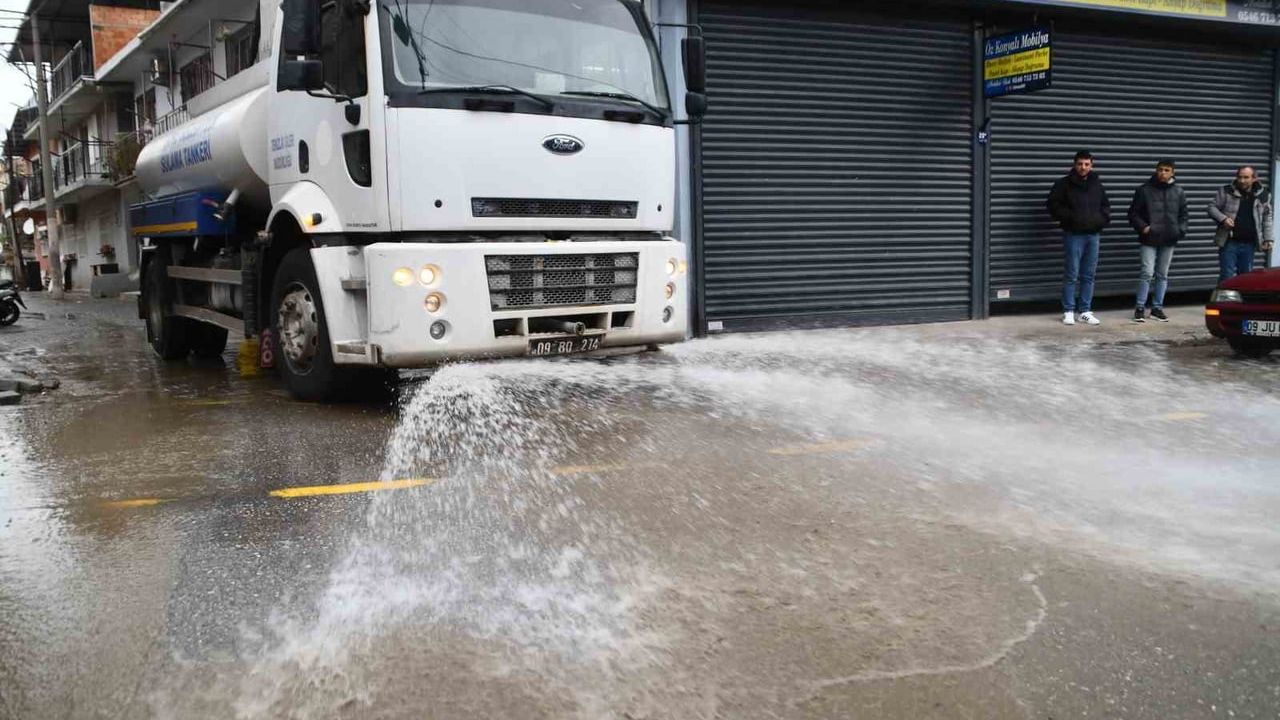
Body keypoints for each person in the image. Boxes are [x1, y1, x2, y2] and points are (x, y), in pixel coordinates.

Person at [1047, 150, 1111, 325]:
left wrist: (1101, 220)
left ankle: (1085, 311)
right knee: (1071, 273)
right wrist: (1070, 217)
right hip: (1073, 234)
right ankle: (1068, 310)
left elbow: (1105, 206)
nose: (1083, 167)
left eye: (1087, 164)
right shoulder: (1063, 184)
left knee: (1089, 275)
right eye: (1080, 164)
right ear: (1074, 164)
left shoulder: (1097, 184)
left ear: (1092, 165)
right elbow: (1053, 205)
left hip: (1093, 235)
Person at [1127, 160, 1187, 322]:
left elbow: (1183, 215)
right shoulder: (1144, 190)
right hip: (1149, 238)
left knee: (1162, 275)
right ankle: (1140, 307)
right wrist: (1144, 227)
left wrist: (1180, 230)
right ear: (1156, 170)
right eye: (1160, 170)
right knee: (1147, 272)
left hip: (1169, 238)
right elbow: (1133, 213)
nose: (1163, 173)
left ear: (1172, 172)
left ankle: (1157, 308)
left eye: (1167, 170)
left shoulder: (1179, 192)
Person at [1208, 166, 1275, 281]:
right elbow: (1211, 208)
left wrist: (1268, 238)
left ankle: (1242, 299)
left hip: (1249, 243)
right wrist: (1223, 219)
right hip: (1229, 241)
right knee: (1227, 275)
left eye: (1246, 177)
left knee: (1245, 277)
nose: (1242, 180)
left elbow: (1267, 217)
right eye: (1239, 177)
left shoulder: (1263, 195)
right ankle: (1224, 299)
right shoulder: (1227, 190)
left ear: (1254, 178)